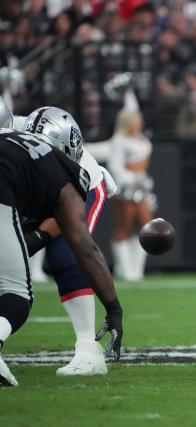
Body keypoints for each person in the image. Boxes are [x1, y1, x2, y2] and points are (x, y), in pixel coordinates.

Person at [0, 127, 124, 387]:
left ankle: (88, 347)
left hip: (24, 188)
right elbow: (87, 249)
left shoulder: (79, 168)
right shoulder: (46, 161)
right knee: (17, 293)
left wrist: (35, 239)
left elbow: (74, 237)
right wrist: (114, 309)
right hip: (12, 186)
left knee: (65, 253)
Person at [108, 107, 154, 281]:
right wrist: (131, 178)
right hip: (125, 189)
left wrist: (142, 179)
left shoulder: (142, 138)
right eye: (137, 120)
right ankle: (125, 270)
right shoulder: (119, 140)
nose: (141, 123)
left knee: (146, 227)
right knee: (124, 228)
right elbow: (115, 166)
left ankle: (137, 270)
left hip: (142, 187)